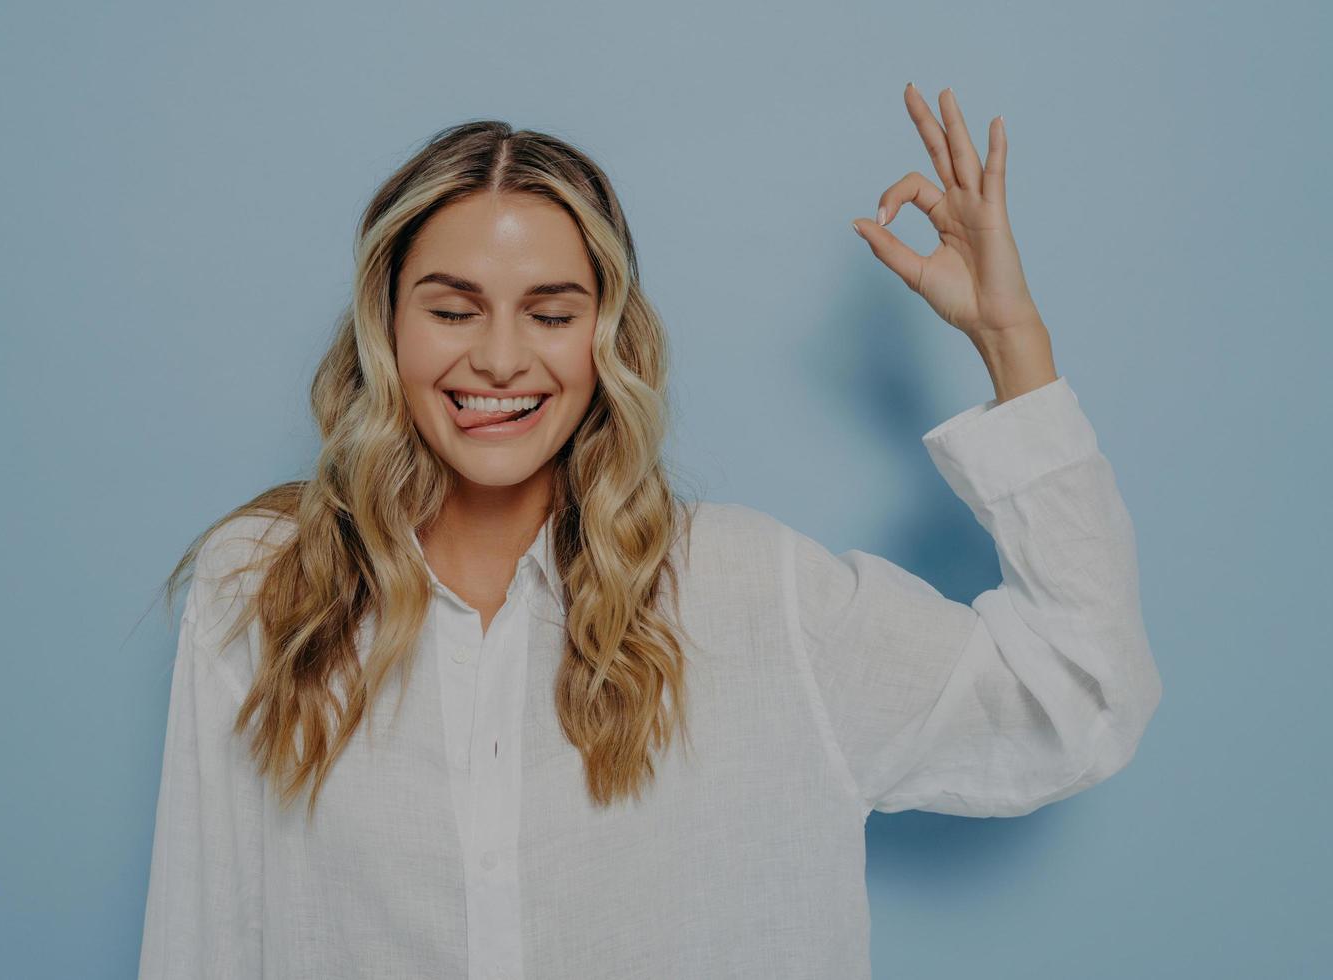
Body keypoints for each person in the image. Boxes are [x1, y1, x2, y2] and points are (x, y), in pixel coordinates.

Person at [138, 84, 1163, 980]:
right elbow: (206, 943)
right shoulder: (261, 589)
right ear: (387, 324)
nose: (500, 358)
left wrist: (1009, 342)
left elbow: (1078, 694)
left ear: (606, 337)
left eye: (551, 311)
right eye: (452, 309)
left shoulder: (755, 593)